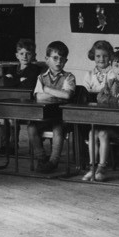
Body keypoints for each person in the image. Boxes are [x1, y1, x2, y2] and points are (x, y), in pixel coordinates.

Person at [83, 45, 119, 182]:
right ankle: (92, 168)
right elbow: (100, 98)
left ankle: (102, 168)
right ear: (112, 67)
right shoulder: (110, 82)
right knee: (92, 132)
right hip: (110, 122)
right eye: (117, 66)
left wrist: (112, 100)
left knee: (102, 133)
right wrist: (118, 100)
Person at [28, 41, 76, 174]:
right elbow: (38, 97)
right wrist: (58, 95)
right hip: (44, 116)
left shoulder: (69, 77)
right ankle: (42, 158)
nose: (58, 61)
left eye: (62, 59)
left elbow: (67, 95)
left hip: (62, 117)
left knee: (58, 129)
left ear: (66, 61)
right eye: (55, 58)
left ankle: (53, 161)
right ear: (47, 60)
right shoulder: (41, 77)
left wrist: (47, 89)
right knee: (31, 127)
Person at [0, 38, 42, 155]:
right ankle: (3, 145)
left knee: (12, 118)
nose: (24, 57)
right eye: (22, 53)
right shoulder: (12, 68)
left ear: (34, 55)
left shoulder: (34, 69)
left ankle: (12, 145)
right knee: (3, 117)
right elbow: (7, 83)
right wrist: (19, 80)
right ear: (17, 55)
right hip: (12, 101)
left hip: (28, 103)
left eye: (28, 54)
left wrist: (14, 79)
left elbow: (29, 85)